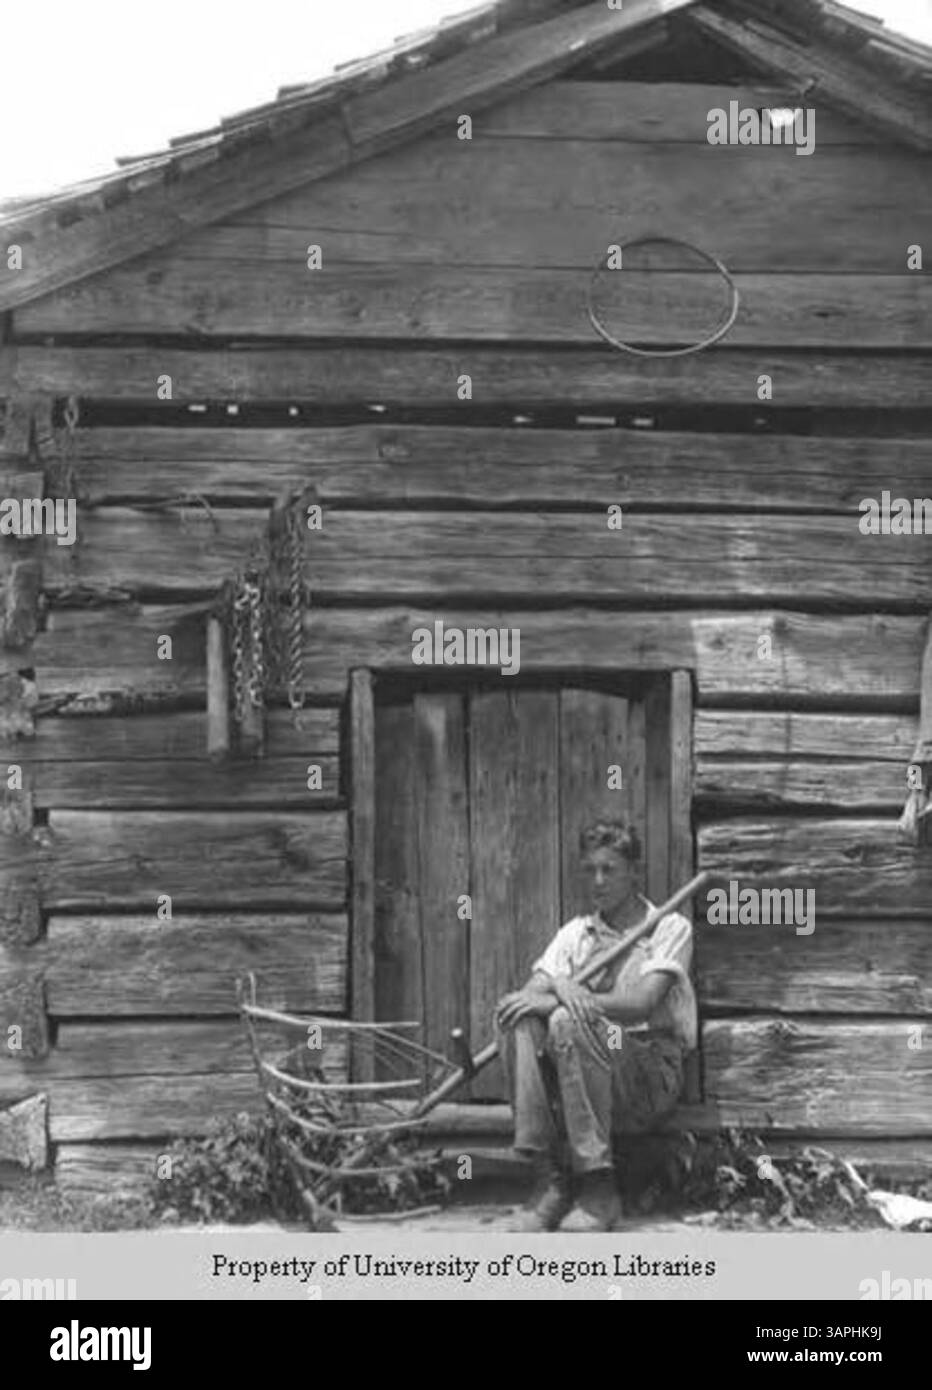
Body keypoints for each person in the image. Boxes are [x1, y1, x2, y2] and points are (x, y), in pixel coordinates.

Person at [495, 819, 696, 1232]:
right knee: (521, 1019)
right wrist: (555, 985)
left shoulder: (668, 927)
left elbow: (641, 1003)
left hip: (646, 1077)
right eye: (590, 870)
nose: (598, 881)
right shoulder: (576, 934)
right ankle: (550, 1178)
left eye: (610, 869)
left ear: (634, 872)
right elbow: (530, 993)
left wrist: (562, 995)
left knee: (570, 1018)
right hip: (582, 1078)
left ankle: (599, 1187)